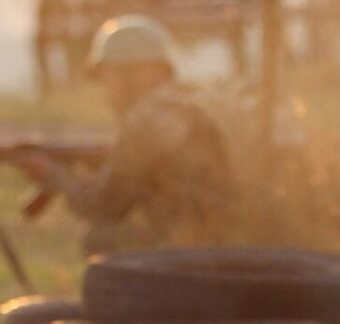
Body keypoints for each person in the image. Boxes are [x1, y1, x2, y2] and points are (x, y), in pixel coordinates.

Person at [3, 16, 233, 255]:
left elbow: (103, 206)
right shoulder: (188, 105)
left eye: (108, 77)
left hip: (188, 253)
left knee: (100, 239)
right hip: (217, 243)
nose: (106, 93)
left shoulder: (145, 120)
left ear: (135, 72)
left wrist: (55, 174)